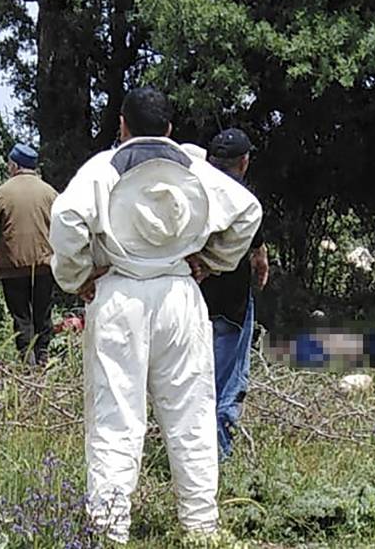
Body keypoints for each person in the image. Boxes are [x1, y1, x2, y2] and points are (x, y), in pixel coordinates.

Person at [49, 87, 263, 543]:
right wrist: (212, 260)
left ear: (122, 125)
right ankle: (201, 525)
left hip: (119, 291)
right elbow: (247, 210)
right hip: (179, 293)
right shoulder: (194, 168)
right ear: (169, 128)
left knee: (116, 415)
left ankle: (109, 530)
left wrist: (77, 276)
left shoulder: (103, 168)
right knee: (192, 414)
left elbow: (66, 217)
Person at [199, 128, 270, 460]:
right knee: (226, 385)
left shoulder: (191, 190)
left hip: (189, 304)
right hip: (230, 307)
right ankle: (217, 456)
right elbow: (257, 251)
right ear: (244, 162)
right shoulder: (245, 203)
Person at [0, 143, 59, 365]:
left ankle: (27, 360)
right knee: (42, 313)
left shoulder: (1, 193)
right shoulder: (50, 193)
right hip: (45, 264)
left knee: (21, 316)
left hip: (12, 266)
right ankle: (43, 356)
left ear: (14, 165)